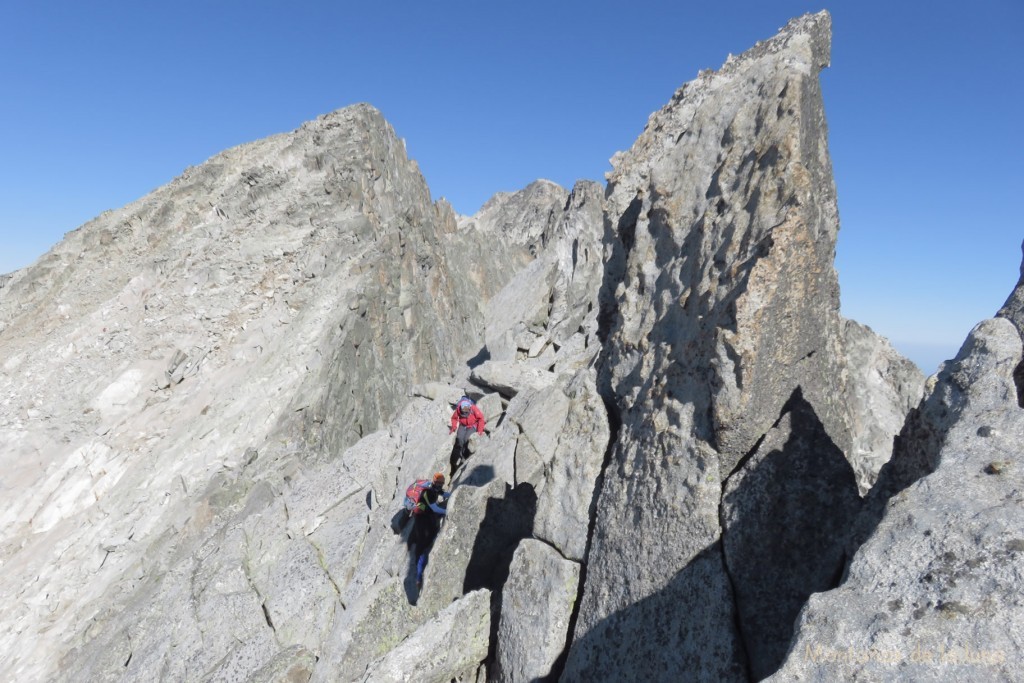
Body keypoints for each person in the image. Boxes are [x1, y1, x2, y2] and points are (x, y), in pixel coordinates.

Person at [409, 472, 449, 589]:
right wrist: (448, 511)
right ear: (434, 482)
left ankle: (420, 573)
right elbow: (434, 508)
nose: (440, 485)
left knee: (424, 545)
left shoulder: (435, 490)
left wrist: (455, 494)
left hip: (428, 516)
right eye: (438, 483)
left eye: (441, 483)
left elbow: (444, 493)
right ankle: (418, 577)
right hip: (421, 519)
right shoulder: (428, 492)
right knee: (421, 549)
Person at [449, 395, 485, 469]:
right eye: (463, 411)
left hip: (473, 425)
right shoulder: (458, 409)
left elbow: (481, 418)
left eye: (466, 411)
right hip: (463, 425)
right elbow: (454, 418)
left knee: (466, 439)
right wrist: (454, 427)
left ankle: (464, 456)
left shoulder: (473, 408)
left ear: (469, 408)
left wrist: (480, 430)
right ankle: (459, 452)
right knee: (459, 438)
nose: (465, 413)